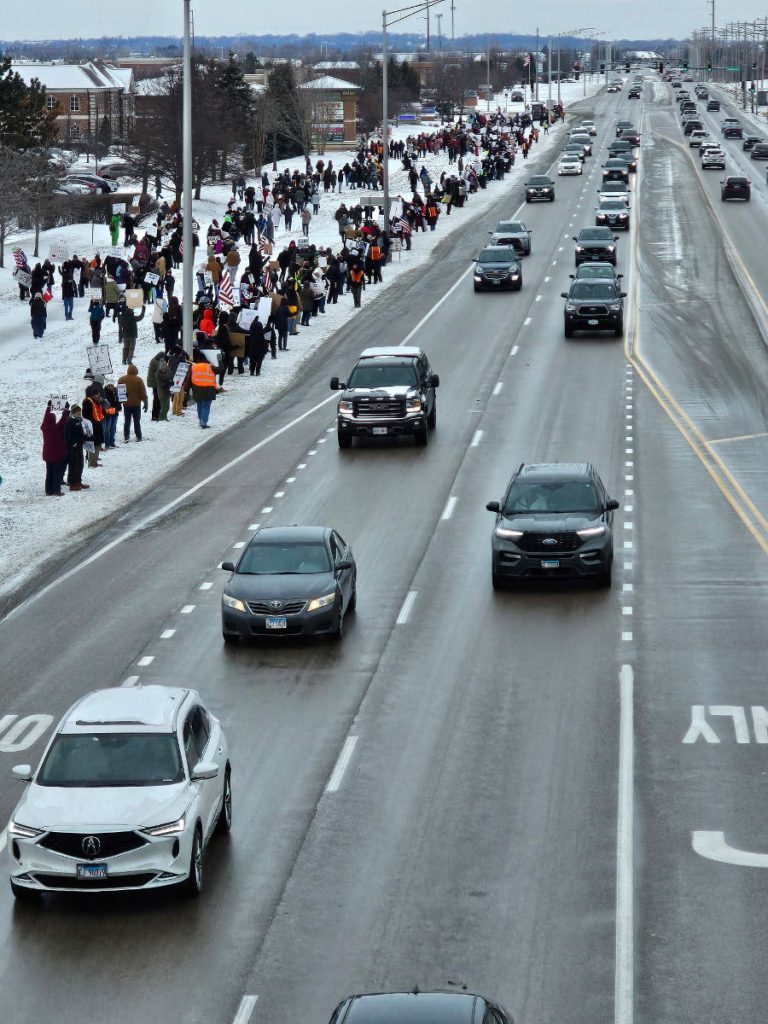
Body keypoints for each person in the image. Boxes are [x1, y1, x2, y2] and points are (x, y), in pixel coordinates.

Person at [41, 401, 70, 496]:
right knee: (57, 472)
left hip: (47, 454)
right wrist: (66, 409)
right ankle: (56, 490)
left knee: (49, 472)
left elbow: (46, 416)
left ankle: (48, 490)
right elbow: (63, 420)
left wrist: (48, 407)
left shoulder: (44, 428)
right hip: (56, 453)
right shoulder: (55, 428)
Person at [118, 363, 148, 442]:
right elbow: (143, 392)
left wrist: (120, 403)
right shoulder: (138, 380)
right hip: (136, 404)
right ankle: (138, 436)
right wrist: (145, 403)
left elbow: (119, 393)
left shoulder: (121, 379)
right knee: (136, 421)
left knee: (127, 421)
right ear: (136, 371)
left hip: (126, 404)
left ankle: (126, 437)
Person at [64, 404, 89, 491]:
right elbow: (68, 434)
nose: (79, 413)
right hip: (73, 446)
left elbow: (80, 432)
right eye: (78, 412)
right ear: (74, 413)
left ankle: (78, 481)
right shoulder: (70, 421)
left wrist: (86, 437)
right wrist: (73, 443)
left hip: (79, 445)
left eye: (80, 412)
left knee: (80, 464)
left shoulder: (79, 420)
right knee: (73, 465)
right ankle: (72, 483)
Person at [190, 352, 217, 427]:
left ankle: (200, 420)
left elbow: (189, 379)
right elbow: (220, 369)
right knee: (206, 406)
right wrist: (219, 360)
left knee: (199, 405)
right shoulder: (210, 366)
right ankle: (203, 422)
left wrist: (186, 389)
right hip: (209, 389)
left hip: (197, 389)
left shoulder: (194, 367)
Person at [102, 381, 120, 449]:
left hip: (115, 412)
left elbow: (119, 402)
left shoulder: (116, 392)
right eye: (108, 385)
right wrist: (107, 409)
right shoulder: (103, 392)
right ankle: (107, 444)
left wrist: (117, 408)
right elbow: (102, 403)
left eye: (111, 385)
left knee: (113, 428)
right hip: (107, 414)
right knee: (107, 429)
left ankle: (112, 442)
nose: (110, 386)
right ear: (106, 385)